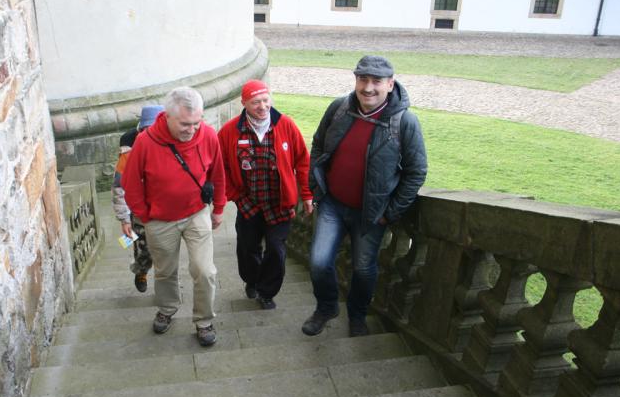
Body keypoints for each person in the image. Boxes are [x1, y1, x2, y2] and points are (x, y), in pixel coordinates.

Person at [302, 55, 428, 337]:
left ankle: (357, 316)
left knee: (363, 269)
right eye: (362, 79)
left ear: (390, 84)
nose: (368, 87)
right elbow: (319, 145)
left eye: (376, 81)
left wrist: (390, 212)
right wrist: (316, 186)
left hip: (370, 214)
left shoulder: (404, 122)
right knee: (319, 262)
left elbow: (416, 172)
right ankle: (326, 307)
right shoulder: (339, 108)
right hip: (333, 205)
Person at [121, 87, 226, 346]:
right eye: (185, 124)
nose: (192, 129)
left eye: (197, 122)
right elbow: (130, 184)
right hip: (159, 220)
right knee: (165, 271)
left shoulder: (208, 135)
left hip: (196, 213)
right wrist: (145, 216)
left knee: (204, 270)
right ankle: (167, 308)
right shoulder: (145, 142)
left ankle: (204, 320)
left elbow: (218, 174)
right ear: (167, 116)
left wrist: (219, 208)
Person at [218, 80, 312, 310]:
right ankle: (252, 280)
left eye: (265, 100)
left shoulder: (286, 125)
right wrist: (235, 196)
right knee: (247, 248)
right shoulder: (229, 131)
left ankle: (267, 292)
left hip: (279, 205)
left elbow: (303, 161)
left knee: (276, 250)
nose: (262, 106)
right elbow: (220, 168)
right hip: (248, 203)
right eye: (255, 102)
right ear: (244, 103)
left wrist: (307, 194)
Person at [112, 104, 163, 293]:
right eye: (146, 129)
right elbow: (119, 187)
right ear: (140, 129)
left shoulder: (173, 144)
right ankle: (141, 271)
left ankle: (165, 282)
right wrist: (124, 219)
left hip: (166, 210)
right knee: (143, 248)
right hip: (139, 211)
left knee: (164, 251)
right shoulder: (128, 153)